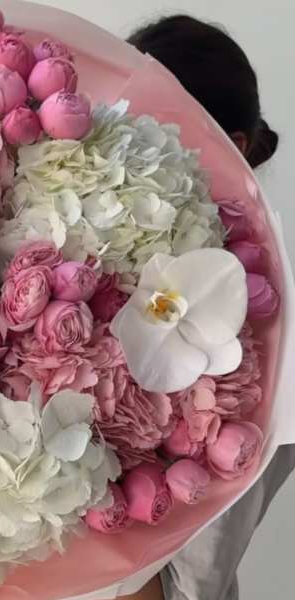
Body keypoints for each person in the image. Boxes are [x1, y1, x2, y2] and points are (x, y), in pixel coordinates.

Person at [115, 15, 291, 600]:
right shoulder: (93, 266)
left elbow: (194, 581)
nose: (128, 151)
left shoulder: (272, 339)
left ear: (231, 148)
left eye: (153, 128)